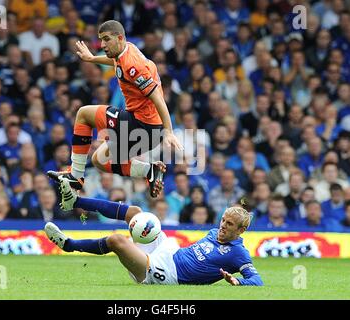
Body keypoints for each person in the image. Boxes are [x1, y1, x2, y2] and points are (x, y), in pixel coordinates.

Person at [47, 20, 183, 198]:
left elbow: (157, 97)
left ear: (119, 38)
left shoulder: (133, 66)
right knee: (99, 160)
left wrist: (169, 131)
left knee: (83, 114)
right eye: (100, 40)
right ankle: (150, 170)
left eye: (106, 39)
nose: (102, 44)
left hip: (142, 125)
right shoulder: (128, 49)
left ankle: (75, 176)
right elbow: (116, 62)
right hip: (149, 131)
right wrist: (92, 59)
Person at [45, 176, 263, 286]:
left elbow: (257, 280)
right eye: (223, 220)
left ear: (242, 230)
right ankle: (75, 200)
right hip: (169, 250)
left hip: (167, 273)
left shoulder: (238, 253)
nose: (223, 225)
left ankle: (69, 245)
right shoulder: (215, 232)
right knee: (137, 213)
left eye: (229, 224)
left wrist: (238, 281)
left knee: (118, 241)